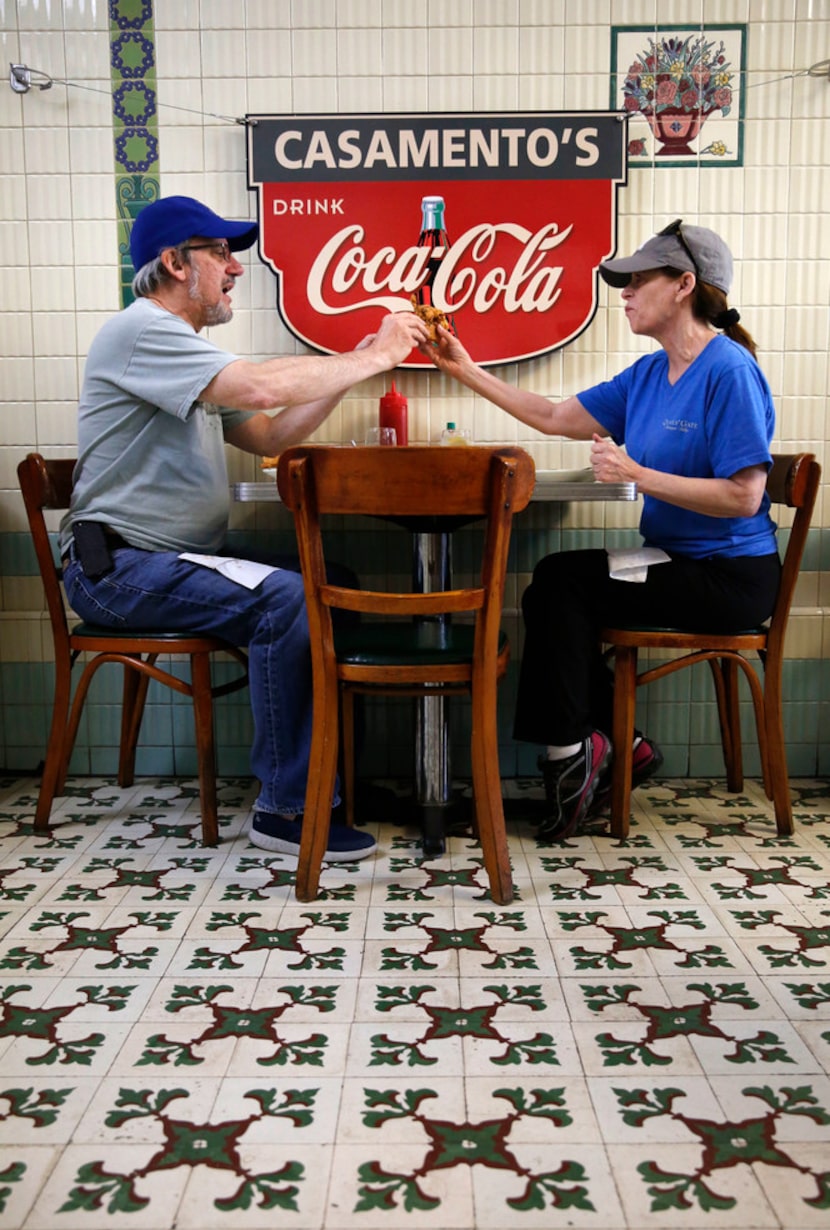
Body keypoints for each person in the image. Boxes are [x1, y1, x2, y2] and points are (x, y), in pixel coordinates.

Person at [60, 195, 428, 860]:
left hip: (175, 559)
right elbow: (259, 388)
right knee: (285, 600)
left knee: (330, 583)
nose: (235, 268)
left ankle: (333, 787)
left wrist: (355, 363)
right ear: (174, 263)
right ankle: (286, 810)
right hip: (116, 569)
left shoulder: (186, 354)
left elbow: (271, 432)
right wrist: (372, 360)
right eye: (220, 253)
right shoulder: (142, 330)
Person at [424, 220, 781, 840]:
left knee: (565, 582)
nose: (626, 292)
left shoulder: (729, 372)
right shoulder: (647, 376)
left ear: (684, 285)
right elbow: (556, 415)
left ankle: (578, 759)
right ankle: (612, 747)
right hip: (675, 562)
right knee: (557, 581)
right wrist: (464, 369)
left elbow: (745, 497)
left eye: (639, 279)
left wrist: (636, 472)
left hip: (731, 575)